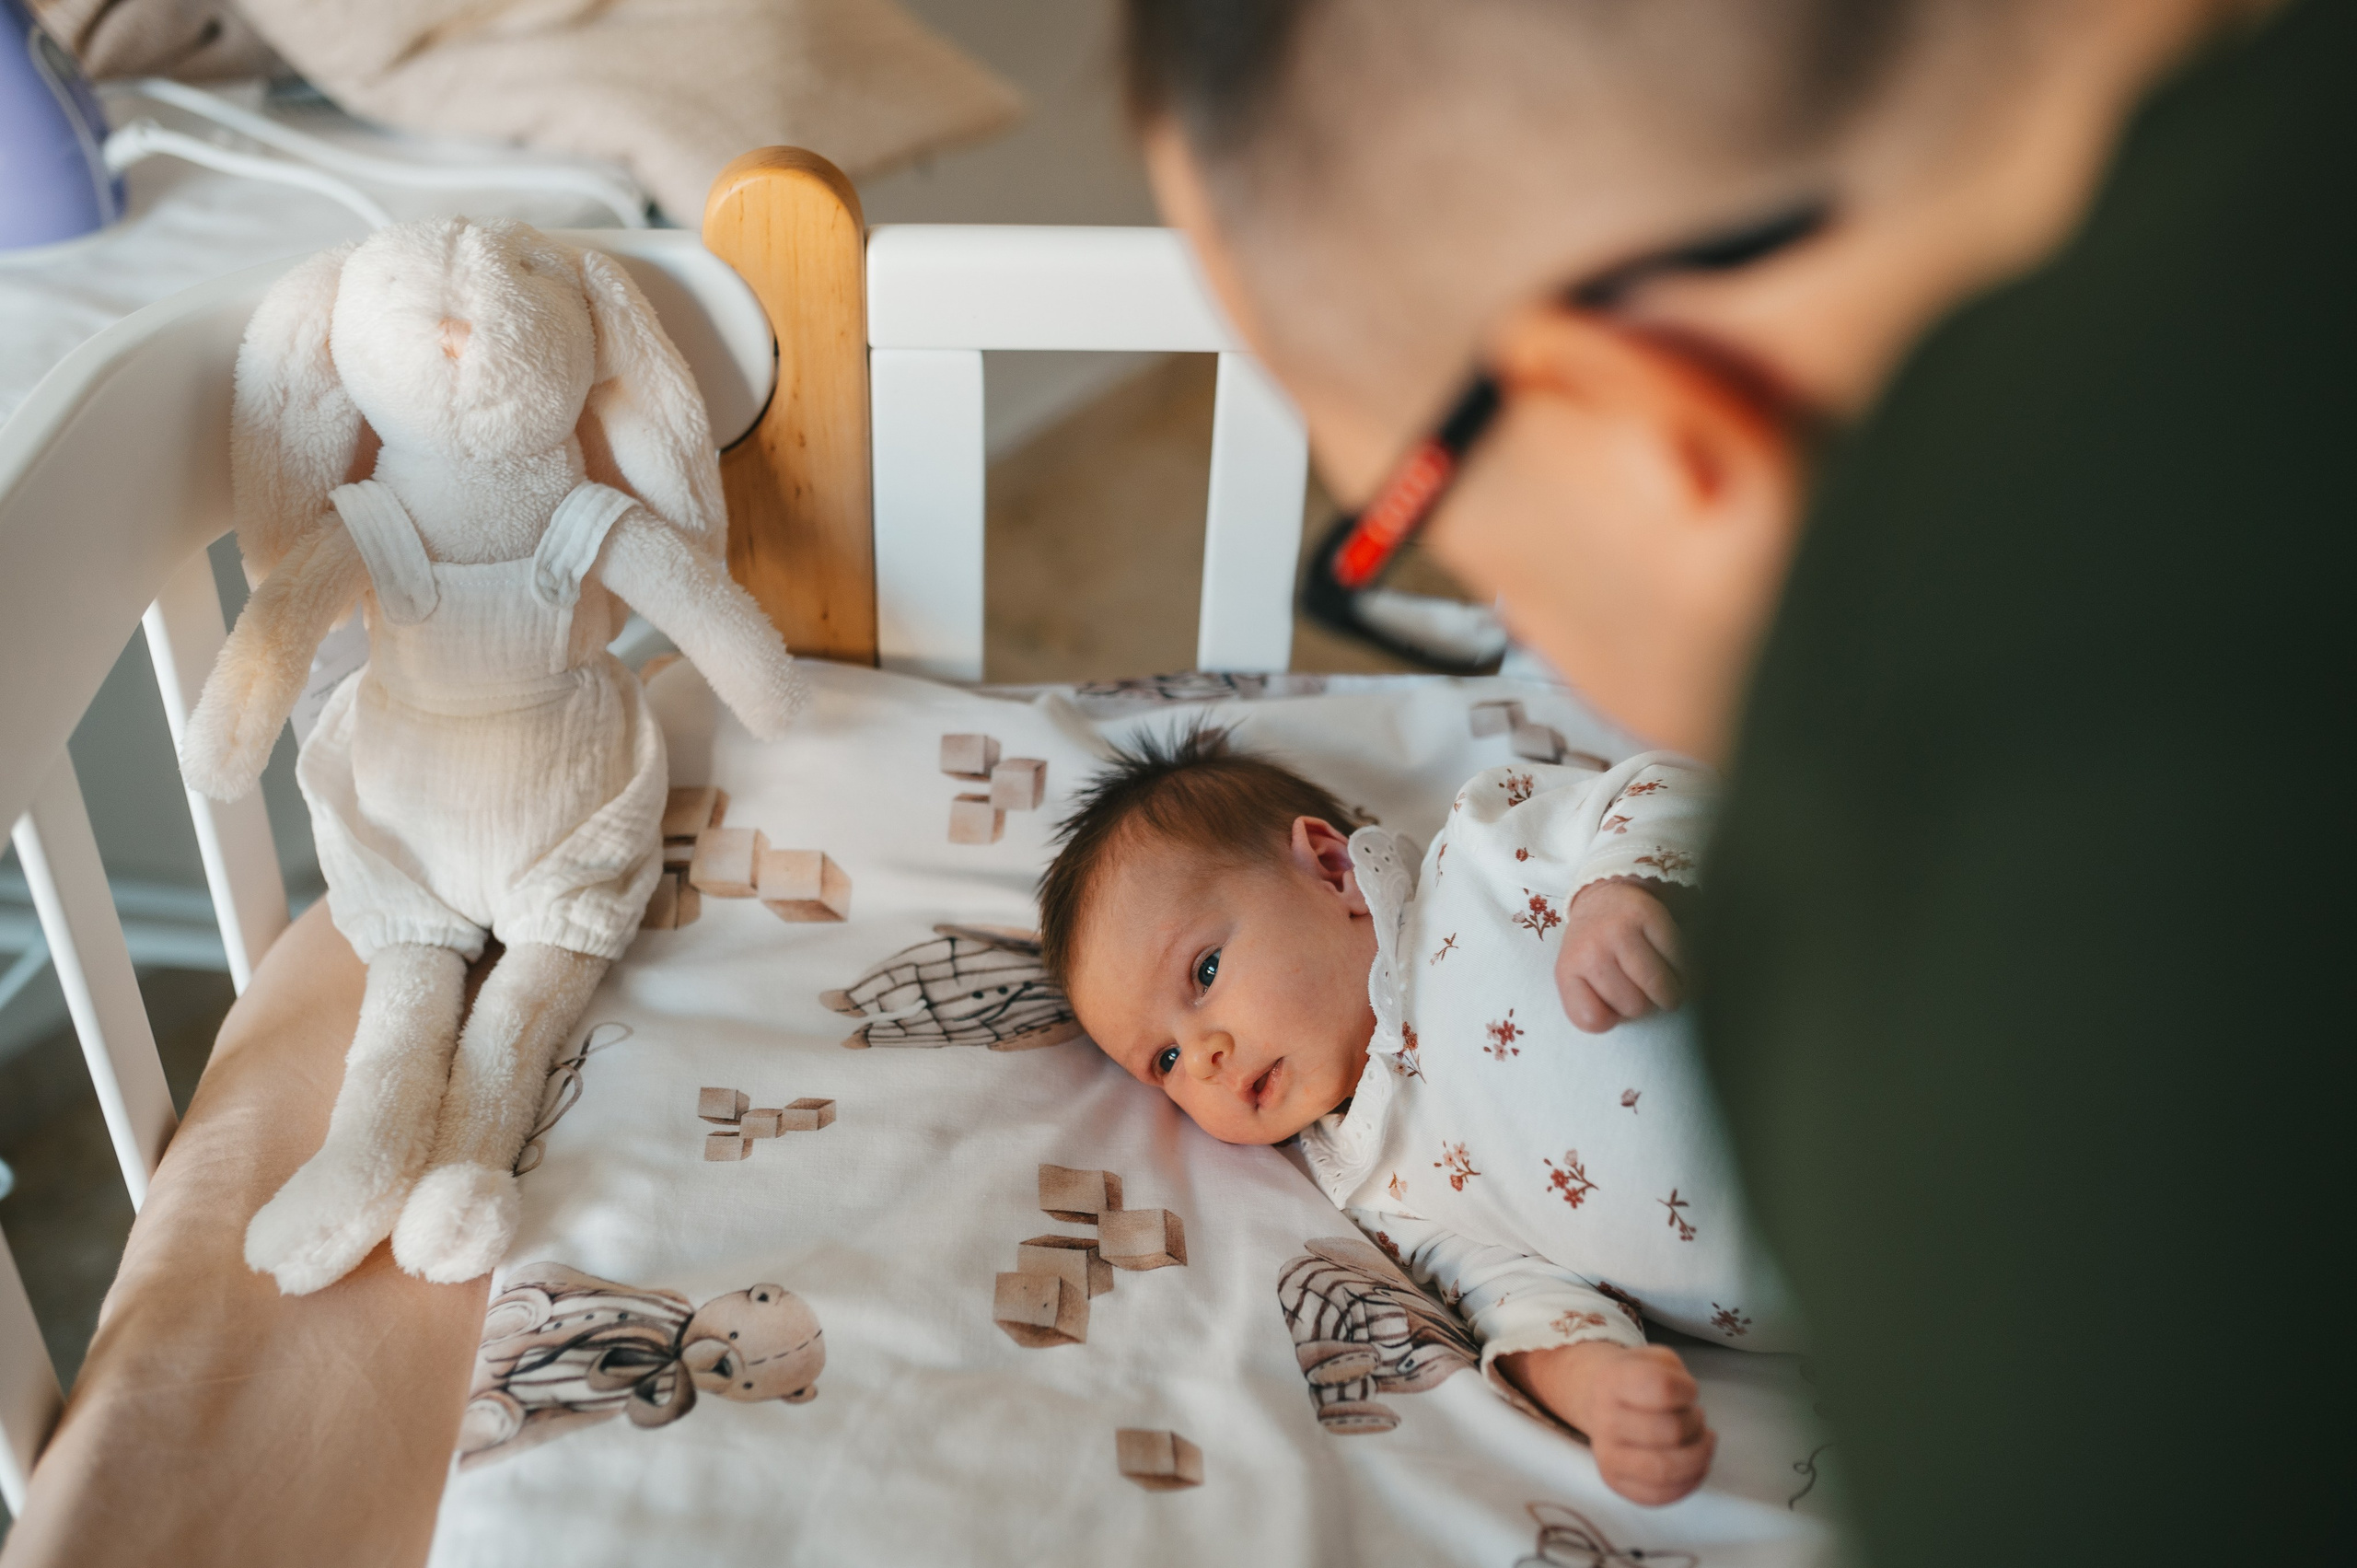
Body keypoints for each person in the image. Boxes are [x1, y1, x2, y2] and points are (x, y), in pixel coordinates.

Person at [1118, 2, 2346, 1564]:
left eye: (1464, 560)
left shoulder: (1972, 1063)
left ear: (1655, 433)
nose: (1202, 1052)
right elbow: (1515, 1297)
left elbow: (1629, 801)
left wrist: (1643, 887)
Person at [1039, 726, 1793, 1505]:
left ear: (1330, 870)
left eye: (1204, 971)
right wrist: (1599, 1388)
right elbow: (1514, 1295)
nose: (1202, 1058)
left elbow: (1669, 790)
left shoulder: (1481, 856)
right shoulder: (1377, 1187)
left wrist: (1618, 891)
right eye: (1163, 1061)